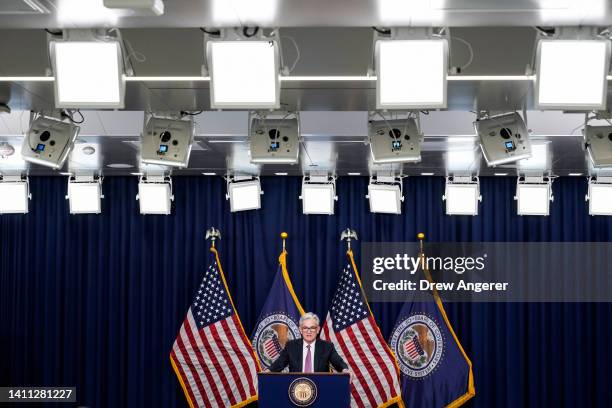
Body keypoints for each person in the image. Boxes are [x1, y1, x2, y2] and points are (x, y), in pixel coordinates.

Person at [268, 312, 349, 374]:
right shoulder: (291, 346)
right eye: (305, 328)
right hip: (296, 388)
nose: (309, 331)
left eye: (312, 328)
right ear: (300, 330)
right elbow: (279, 364)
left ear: (317, 330)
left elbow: (338, 362)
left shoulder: (327, 347)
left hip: (319, 387)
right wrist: (268, 371)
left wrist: (345, 369)